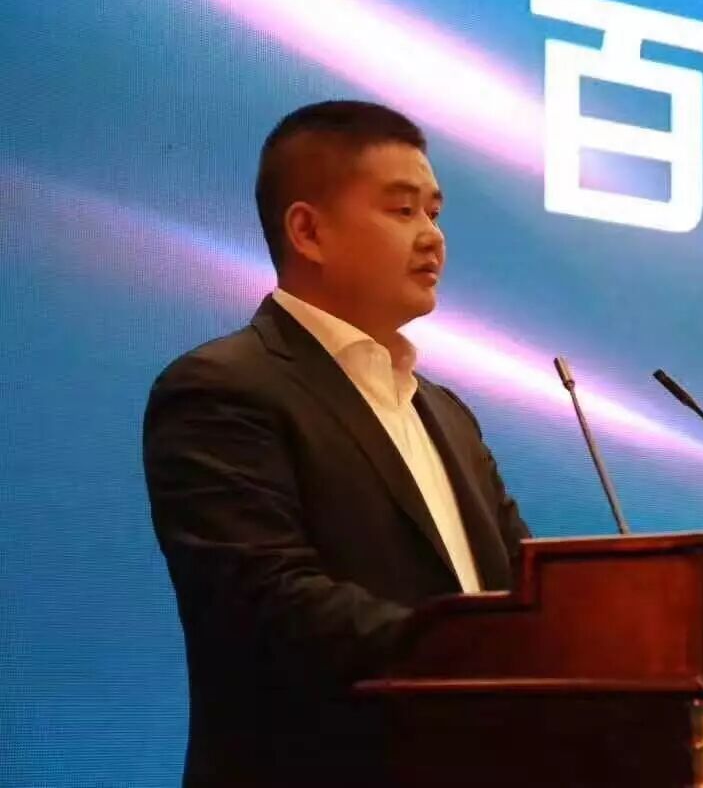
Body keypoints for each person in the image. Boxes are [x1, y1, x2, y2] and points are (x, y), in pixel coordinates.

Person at [141, 100, 531, 787]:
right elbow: (268, 603)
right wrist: (476, 651)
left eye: (435, 213)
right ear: (308, 231)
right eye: (402, 210)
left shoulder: (448, 414)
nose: (432, 237)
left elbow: (522, 589)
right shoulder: (221, 390)